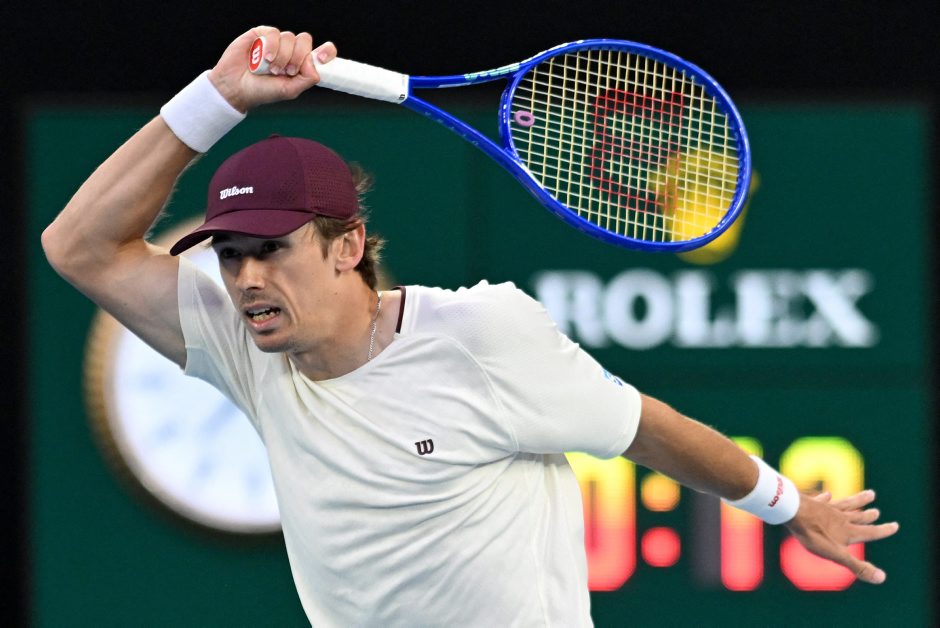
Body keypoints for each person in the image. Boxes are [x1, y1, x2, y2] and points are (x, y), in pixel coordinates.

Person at [42, 26, 898, 626]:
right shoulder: (246, 345)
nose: (247, 278)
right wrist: (217, 98)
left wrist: (790, 507)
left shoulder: (483, 337)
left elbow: (648, 429)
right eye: (230, 256)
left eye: (271, 249)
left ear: (347, 247)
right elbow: (76, 246)